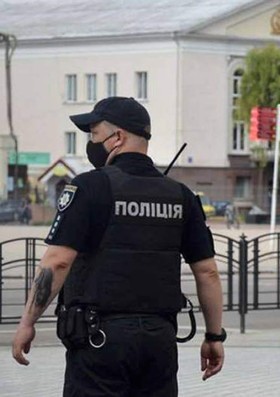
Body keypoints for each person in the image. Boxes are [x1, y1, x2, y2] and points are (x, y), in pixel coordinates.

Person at [11, 96, 225, 396]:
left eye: (94, 134)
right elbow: (208, 273)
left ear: (117, 137)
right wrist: (215, 336)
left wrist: (27, 322)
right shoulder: (181, 195)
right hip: (159, 341)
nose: (91, 142)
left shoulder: (89, 187)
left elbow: (57, 261)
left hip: (99, 341)